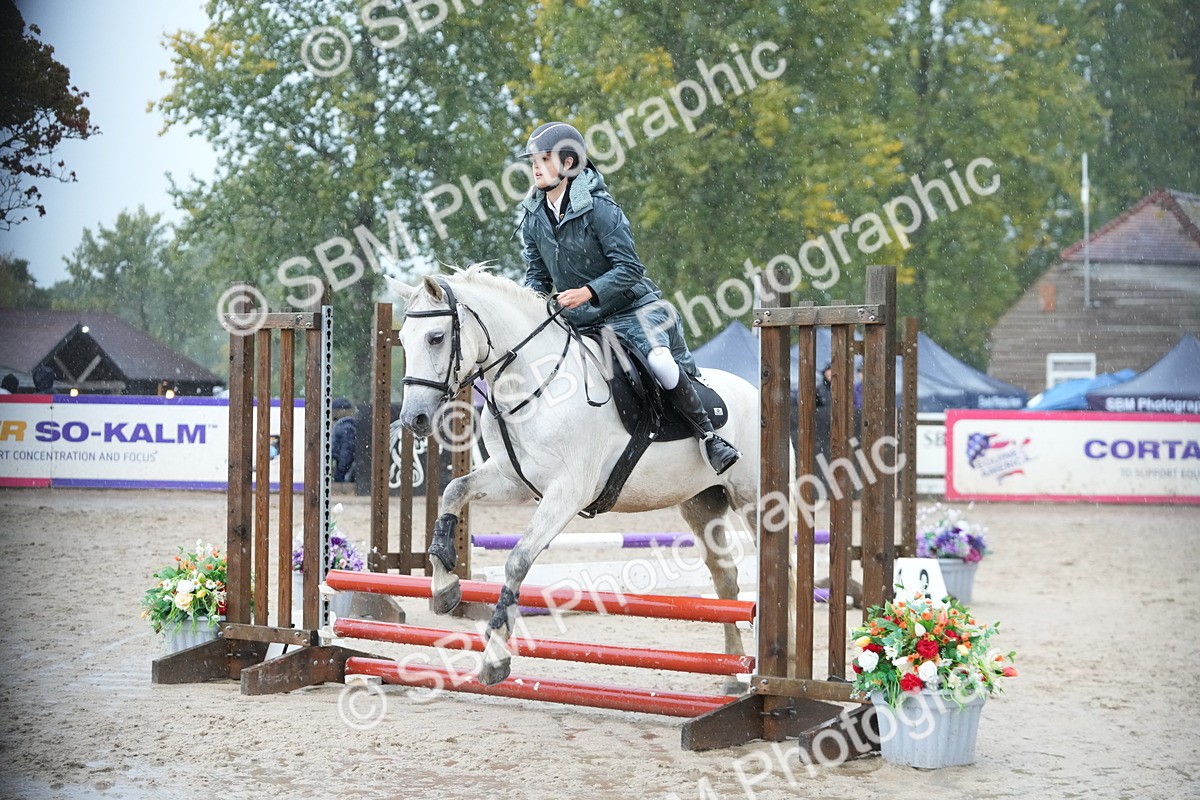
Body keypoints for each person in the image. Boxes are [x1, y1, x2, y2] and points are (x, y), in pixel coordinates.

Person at [516, 121, 739, 475]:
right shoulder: (532, 217)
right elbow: (537, 276)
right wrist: (532, 304)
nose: (536, 168)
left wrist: (588, 292)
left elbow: (630, 268)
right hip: (580, 318)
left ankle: (709, 436)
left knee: (660, 360)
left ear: (569, 163)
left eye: (545, 159)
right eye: (534, 162)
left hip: (633, 308)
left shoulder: (600, 209)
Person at [331, 397, 357, 482]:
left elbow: (346, 452)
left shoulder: (344, 427)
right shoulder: (349, 425)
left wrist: (341, 471)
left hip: (343, 469)